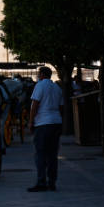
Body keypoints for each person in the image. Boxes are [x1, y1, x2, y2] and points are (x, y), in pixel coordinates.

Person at [26, 64, 64, 192]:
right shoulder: (57, 87)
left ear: (42, 75)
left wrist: (31, 122)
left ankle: (41, 181)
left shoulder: (40, 85)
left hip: (43, 123)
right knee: (53, 154)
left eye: (38, 74)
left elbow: (34, 105)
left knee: (41, 153)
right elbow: (61, 106)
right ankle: (52, 182)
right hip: (56, 122)